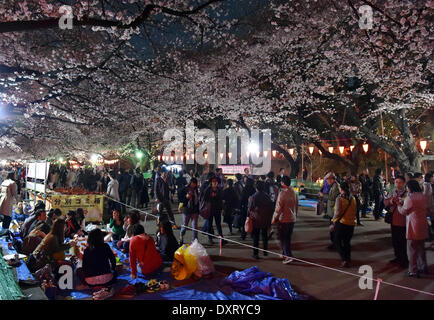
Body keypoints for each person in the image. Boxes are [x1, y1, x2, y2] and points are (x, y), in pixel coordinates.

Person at [398, 180, 429, 277]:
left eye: (407, 187)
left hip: (413, 226)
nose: (406, 189)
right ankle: (423, 267)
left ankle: (413, 270)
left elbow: (404, 211)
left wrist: (399, 205)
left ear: (410, 187)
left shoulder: (410, 198)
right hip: (423, 225)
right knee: (421, 249)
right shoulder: (423, 196)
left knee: (412, 250)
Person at [272, 176, 298, 264]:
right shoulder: (294, 192)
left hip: (284, 219)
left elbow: (278, 208)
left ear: (283, 183)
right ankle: (285, 253)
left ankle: (288, 256)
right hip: (292, 218)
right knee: (287, 237)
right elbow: (296, 205)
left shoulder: (282, 194)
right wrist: (295, 215)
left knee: (284, 238)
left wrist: (274, 218)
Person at [384, 176, 408, 268]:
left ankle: (404, 259)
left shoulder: (407, 193)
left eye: (400, 182)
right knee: (395, 240)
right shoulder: (392, 192)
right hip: (393, 219)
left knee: (403, 241)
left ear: (404, 183)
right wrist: (391, 200)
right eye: (396, 182)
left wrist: (401, 202)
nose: (398, 184)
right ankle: (397, 257)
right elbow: (385, 202)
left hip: (403, 219)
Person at [331, 182, 357, 268]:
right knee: (347, 242)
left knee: (337, 241)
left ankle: (344, 259)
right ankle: (348, 259)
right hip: (351, 224)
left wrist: (333, 220)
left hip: (342, 223)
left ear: (341, 189)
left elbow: (338, 212)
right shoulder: (352, 198)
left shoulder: (340, 198)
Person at [248, 181, 274, 259]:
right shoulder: (267, 196)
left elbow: (250, 208)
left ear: (256, 188)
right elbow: (271, 207)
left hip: (256, 219)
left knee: (256, 237)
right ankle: (265, 251)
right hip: (265, 219)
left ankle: (256, 253)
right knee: (264, 235)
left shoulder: (254, 196)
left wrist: (248, 216)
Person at [203, 176, 226, 245]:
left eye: (216, 182)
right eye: (213, 182)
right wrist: (211, 197)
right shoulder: (208, 190)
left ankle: (221, 238)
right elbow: (204, 199)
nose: (215, 183)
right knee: (210, 225)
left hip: (217, 210)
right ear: (211, 183)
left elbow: (221, 199)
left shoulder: (219, 190)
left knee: (218, 224)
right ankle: (210, 239)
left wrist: (222, 208)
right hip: (210, 210)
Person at [178, 178, 199, 244]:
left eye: (195, 184)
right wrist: (186, 197)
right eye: (193, 183)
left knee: (195, 226)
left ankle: (195, 240)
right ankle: (181, 236)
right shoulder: (185, 189)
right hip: (186, 210)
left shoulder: (195, 190)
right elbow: (181, 199)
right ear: (190, 183)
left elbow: (197, 199)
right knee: (185, 225)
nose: (194, 185)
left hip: (194, 210)